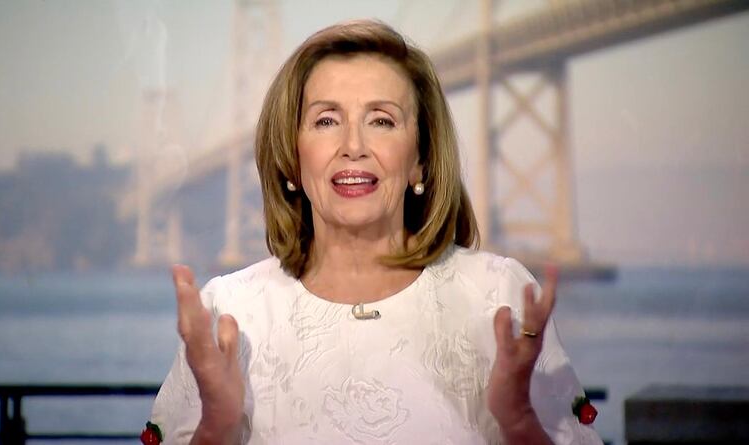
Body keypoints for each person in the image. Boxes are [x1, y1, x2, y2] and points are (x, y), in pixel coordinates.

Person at [149, 19, 602, 445]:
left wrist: (520, 422)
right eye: (326, 120)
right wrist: (215, 429)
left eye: (381, 120)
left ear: (420, 159)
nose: (353, 147)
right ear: (292, 157)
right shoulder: (230, 313)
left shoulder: (499, 296)